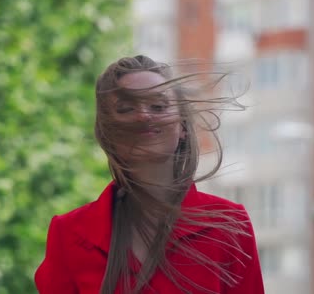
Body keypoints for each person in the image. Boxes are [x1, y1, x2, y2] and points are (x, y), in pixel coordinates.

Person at [35, 55, 264, 294]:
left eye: (158, 106)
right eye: (126, 108)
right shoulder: (70, 233)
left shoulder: (229, 224)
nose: (144, 115)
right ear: (107, 132)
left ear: (183, 127)